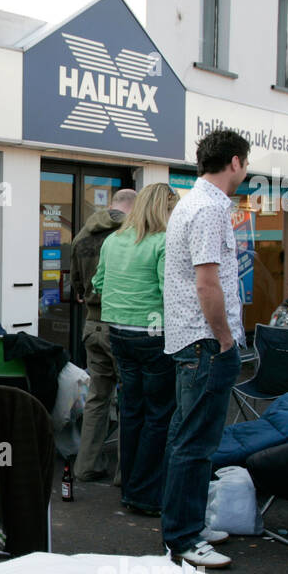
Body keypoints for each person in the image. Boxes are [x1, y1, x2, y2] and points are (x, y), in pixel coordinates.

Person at [159, 130, 251, 569]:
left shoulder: (189, 203)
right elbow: (206, 281)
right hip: (205, 342)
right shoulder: (210, 209)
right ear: (235, 162)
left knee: (187, 437)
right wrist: (225, 337)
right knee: (195, 442)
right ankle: (182, 537)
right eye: (245, 164)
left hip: (190, 340)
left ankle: (186, 524)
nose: (245, 172)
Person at [93, 183, 177, 516]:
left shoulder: (113, 240)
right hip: (154, 334)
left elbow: (98, 283)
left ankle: (130, 487)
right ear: (164, 209)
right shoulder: (162, 242)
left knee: (130, 410)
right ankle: (145, 494)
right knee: (158, 415)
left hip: (118, 332)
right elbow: (167, 290)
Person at [69, 188, 135, 482]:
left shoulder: (82, 234)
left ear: (112, 205)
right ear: (132, 207)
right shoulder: (129, 235)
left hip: (92, 326)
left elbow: (77, 287)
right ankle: (126, 473)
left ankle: (86, 465)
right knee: (129, 399)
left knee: (97, 398)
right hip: (120, 324)